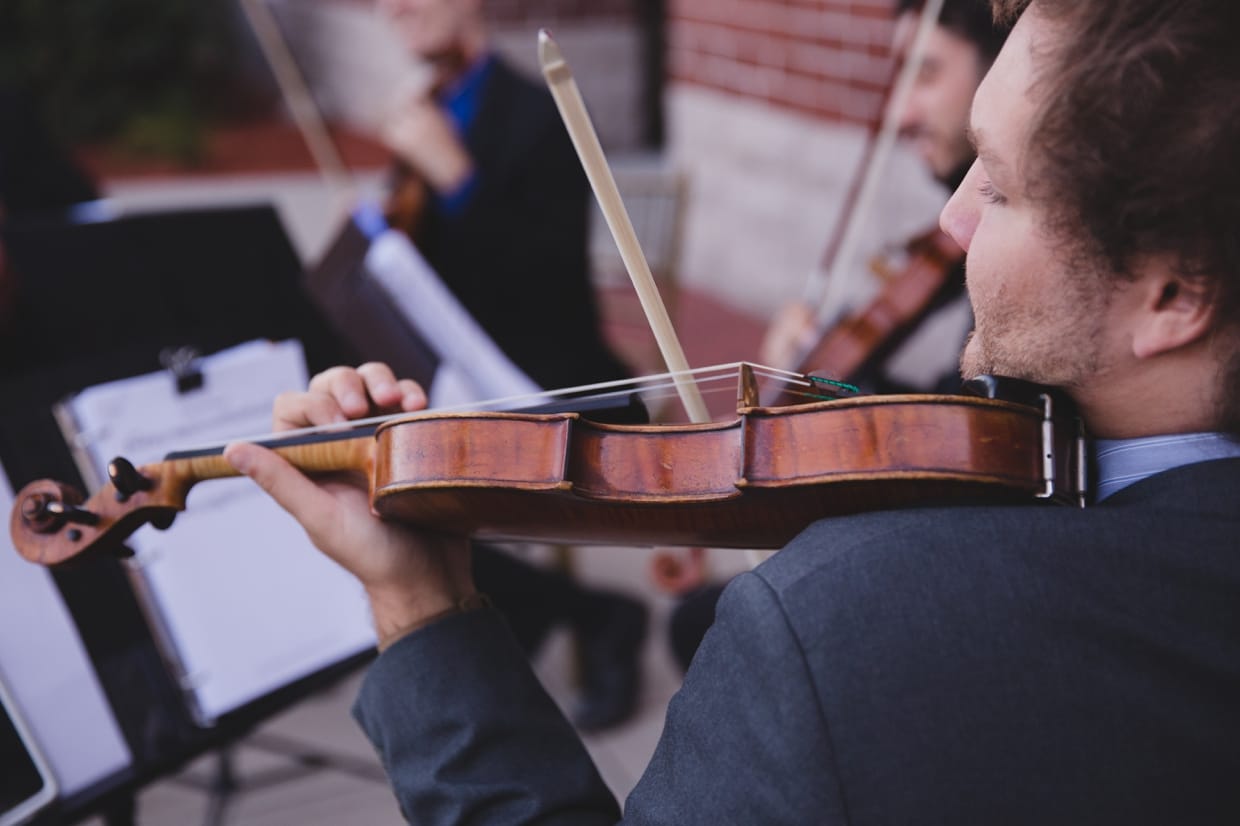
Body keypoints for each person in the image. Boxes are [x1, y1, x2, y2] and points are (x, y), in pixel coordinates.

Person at [226, 0, 1240, 821]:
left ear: (1173, 293)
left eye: (1006, 189)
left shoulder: (838, 632)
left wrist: (421, 612)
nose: (950, 212)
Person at [664, 0, 1009, 675]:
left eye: (927, 73)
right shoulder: (954, 239)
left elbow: (954, 427)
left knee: (702, 627)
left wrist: (824, 385)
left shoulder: (1001, 254)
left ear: (996, 67)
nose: (901, 112)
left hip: (960, 565)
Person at [370, 0, 646, 732]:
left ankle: (576, 619)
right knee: (361, 465)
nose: (393, 7)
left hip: (547, 366)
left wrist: (455, 174)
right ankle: (546, 618)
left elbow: (547, 278)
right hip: (453, 368)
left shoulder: (539, 107)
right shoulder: (424, 111)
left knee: (407, 492)